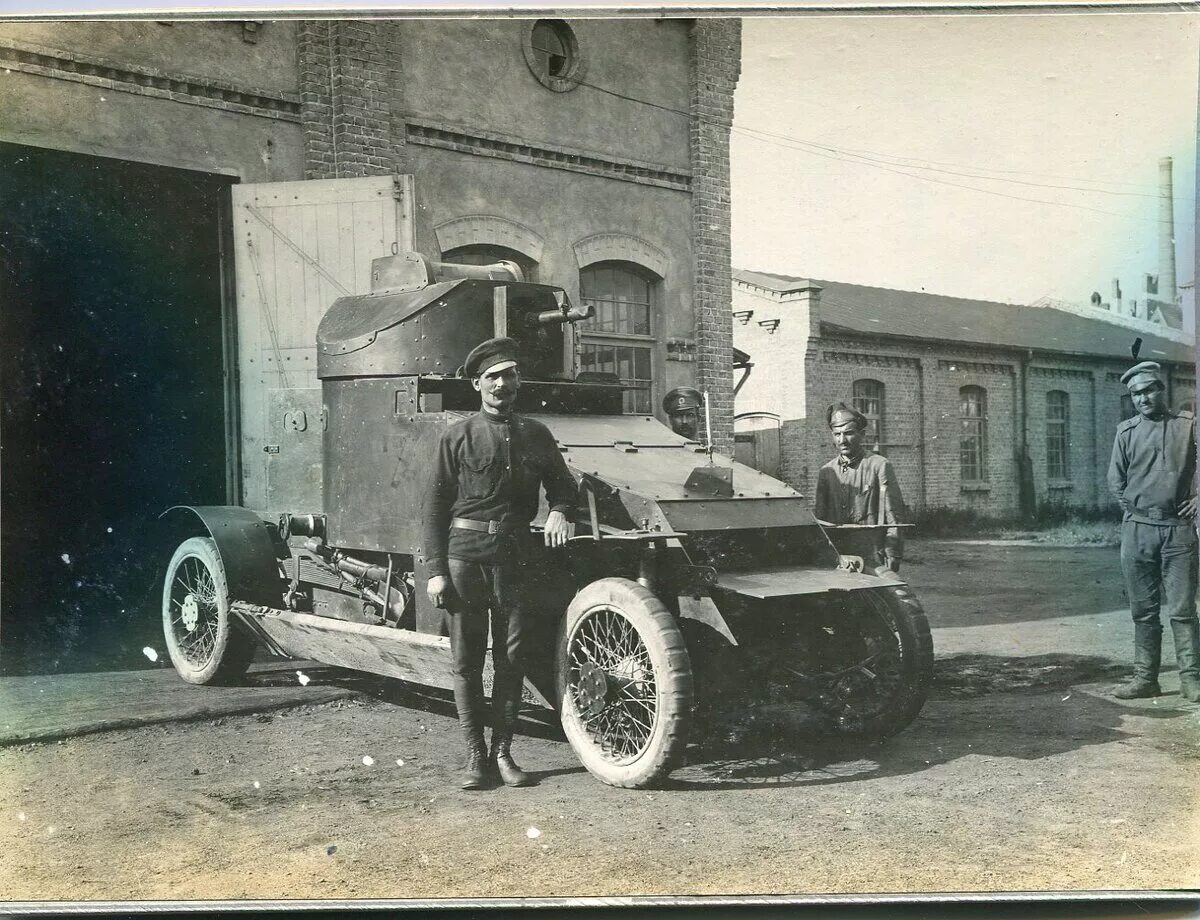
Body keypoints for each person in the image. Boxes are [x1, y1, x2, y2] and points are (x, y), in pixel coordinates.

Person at [423, 336, 577, 788]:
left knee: (512, 659)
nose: (501, 385)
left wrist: (560, 510)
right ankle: (475, 756)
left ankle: (504, 753)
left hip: (516, 560)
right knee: (467, 660)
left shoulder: (536, 434)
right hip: (465, 560)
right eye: (492, 377)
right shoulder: (458, 436)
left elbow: (563, 486)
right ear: (477, 385)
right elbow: (434, 507)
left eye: (509, 375)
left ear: (518, 382)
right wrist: (435, 570)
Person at [1107, 361, 1199, 702]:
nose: (1143, 399)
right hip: (1138, 532)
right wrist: (1137, 510)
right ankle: (1145, 679)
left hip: (1178, 532)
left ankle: (1191, 680)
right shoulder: (1126, 432)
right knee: (1143, 611)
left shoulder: (1188, 426)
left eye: (1148, 390)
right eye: (1135, 394)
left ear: (1162, 390)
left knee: (1183, 610)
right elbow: (1115, 480)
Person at [813, 403, 906, 576]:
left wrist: (893, 553)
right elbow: (820, 519)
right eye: (837, 434)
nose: (842, 440)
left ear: (862, 434)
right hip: (838, 558)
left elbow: (894, 515)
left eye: (848, 433)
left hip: (871, 557)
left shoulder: (879, 466)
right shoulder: (826, 472)